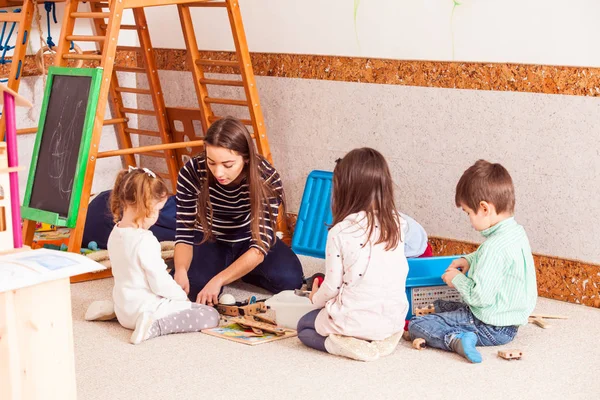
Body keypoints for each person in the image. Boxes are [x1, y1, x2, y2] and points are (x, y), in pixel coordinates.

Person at [407, 160, 537, 363]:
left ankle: (454, 339)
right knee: (440, 305)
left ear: (484, 208)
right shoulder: (516, 234)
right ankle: (457, 331)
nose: (469, 219)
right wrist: (468, 259)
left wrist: (457, 279)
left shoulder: (493, 248)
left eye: (468, 212)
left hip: (489, 325)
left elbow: (479, 298)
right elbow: (496, 261)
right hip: (507, 323)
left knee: (418, 324)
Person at [172, 117, 303, 305]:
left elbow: (259, 247)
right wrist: (181, 270)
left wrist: (219, 279)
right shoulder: (192, 171)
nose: (218, 173)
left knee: (292, 281)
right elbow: (184, 232)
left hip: (250, 238)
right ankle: (232, 268)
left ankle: (238, 270)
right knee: (195, 290)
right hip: (211, 237)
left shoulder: (266, 178)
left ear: (246, 158)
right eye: (211, 162)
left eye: (227, 165)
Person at [296, 148, 409, 362]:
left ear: (344, 191)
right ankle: (382, 340)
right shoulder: (398, 224)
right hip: (393, 320)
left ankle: (347, 345)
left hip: (354, 320)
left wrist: (315, 299)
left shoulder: (339, 232)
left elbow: (332, 286)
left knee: (304, 327)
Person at [107, 167, 219, 344]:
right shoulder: (145, 240)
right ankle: (152, 326)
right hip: (144, 310)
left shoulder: (115, 232)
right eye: (158, 209)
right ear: (146, 207)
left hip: (124, 310)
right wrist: (180, 296)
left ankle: (112, 310)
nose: (158, 216)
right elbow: (159, 283)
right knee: (210, 315)